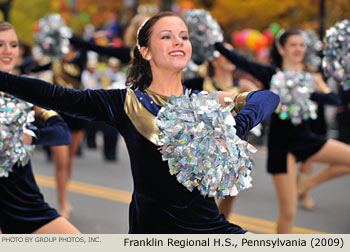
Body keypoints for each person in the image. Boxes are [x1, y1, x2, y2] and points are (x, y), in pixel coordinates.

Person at [0, 12, 279, 233]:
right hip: (155, 232)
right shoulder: (126, 103)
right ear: (145, 52)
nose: (179, 41)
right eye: (167, 37)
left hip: (210, 228)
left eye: (184, 36)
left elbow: (266, 97)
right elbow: (56, 95)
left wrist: (233, 128)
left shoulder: (205, 101)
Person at [214, 30, 350, 233]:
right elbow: (241, 61)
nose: (298, 49)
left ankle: (305, 184)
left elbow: (334, 101)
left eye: (302, 45)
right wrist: (216, 42)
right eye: (293, 44)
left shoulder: (309, 78)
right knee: (289, 212)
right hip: (281, 147)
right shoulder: (271, 74)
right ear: (281, 48)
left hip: (306, 140)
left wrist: (325, 88)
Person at [0, 21, 79, 234]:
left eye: (14, 44)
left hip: (25, 203)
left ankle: (63, 201)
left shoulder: (25, 89)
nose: (8, 51)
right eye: (1, 44)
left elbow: (61, 131)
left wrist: (30, 136)